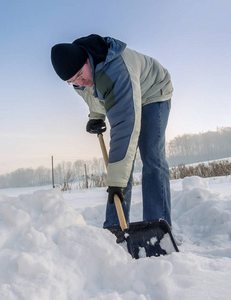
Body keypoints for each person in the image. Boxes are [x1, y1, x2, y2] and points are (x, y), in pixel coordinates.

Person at [50, 34, 173, 242]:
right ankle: (115, 230)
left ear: (87, 59)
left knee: (152, 158)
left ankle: (158, 229)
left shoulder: (117, 70)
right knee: (123, 166)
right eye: (73, 82)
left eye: (80, 75)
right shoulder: (80, 77)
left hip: (153, 92)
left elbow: (126, 126)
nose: (79, 82)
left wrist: (115, 181)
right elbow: (93, 92)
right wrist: (96, 115)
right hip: (126, 95)